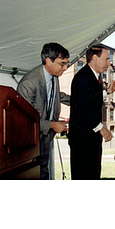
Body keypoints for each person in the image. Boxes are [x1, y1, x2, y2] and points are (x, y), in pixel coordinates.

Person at [17, 42, 70, 179]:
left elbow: (59, 96)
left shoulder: (53, 76)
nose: (65, 68)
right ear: (48, 61)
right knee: (36, 173)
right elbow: (25, 120)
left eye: (66, 64)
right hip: (31, 140)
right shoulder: (29, 83)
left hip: (45, 136)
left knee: (44, 170)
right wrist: (52, 124)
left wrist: (84, 100)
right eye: (62, 64)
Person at [68, 44, 115, 179]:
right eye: (106, 59)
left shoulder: (94, 76)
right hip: (83, 141)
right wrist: (101, 128)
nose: (109, 63)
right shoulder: (83, 78)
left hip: (90, 140)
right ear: (95, 58)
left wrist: (107, 91)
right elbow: (83, 108)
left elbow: (91, 98)